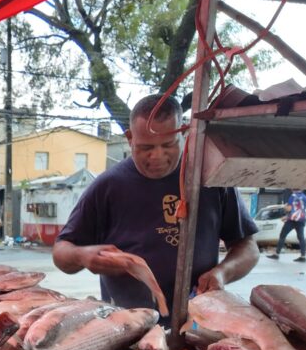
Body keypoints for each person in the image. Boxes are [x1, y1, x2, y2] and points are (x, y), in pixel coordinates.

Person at [53, 94, 259, 319]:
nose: (157, 156)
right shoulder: (107, 186)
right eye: (146, 147)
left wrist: (223, 273)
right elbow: (61, 252)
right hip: (127, 323)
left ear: (183, 132)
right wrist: (82, 256)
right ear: (130, 138)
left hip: (198, 320)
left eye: (168, 145)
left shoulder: (209, 179)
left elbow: (248, 247)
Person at [268, 189, 306, 262]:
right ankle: (303, 256)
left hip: (292, 220)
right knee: (301, 237)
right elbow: (299, 209)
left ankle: (277, 254)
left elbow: (289, 209)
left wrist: (285, 207)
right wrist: (287, 216)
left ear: (293, 189)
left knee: (282, 235)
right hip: (301, 219)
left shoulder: (293, 196)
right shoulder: (305, 197)